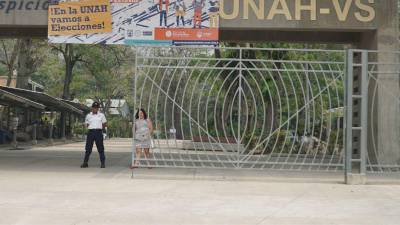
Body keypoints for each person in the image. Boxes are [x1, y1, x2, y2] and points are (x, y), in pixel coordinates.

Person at [81, 102, 107, 168]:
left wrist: (102, 130)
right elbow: (86, 124)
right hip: (91, 132)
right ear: (92, 108)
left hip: (98, 132)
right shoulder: (88, 115)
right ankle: (85, 163)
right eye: (94, 107)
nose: (95, 109)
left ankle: (103, 163)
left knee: (100, 149)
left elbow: (104, 123)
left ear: (98, 108)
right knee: (88, 149)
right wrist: (89, 126)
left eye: (96, 108)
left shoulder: (101, 115)